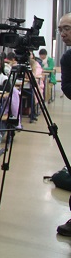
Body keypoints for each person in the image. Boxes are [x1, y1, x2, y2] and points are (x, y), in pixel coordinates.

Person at [56, 13, 71, 237]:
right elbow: (67, 89)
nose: (62, 33)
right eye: (60, 29)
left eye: (66, 28)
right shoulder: (67, 58)